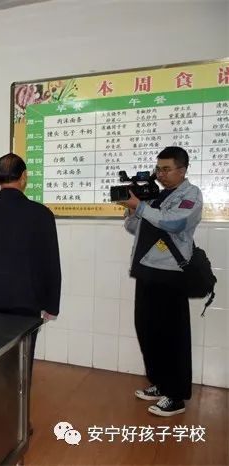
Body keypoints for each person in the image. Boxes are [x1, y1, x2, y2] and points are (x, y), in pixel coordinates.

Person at [118, 146, 202, 417]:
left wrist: (141, 207)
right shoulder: (156, 195)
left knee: (172, 336)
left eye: (166, 169)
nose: (161, 174)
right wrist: (132, 210)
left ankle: (176, 396)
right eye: (158, 169)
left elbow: (176, 223)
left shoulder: (190, 195)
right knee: (147, 329)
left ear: (182, 170)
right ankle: (160, 383)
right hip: (146, 271)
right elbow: (134, 227)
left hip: (170, 274)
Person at [0, 153, 60, 370]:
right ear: (23, 177)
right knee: (21, 360)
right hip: (26, 302)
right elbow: (50, 262)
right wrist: (52, 304)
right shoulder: (42, 214)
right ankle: (19, 391)